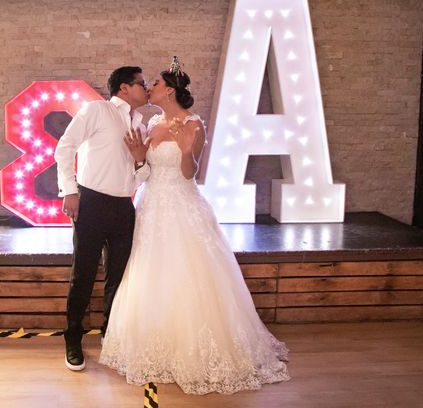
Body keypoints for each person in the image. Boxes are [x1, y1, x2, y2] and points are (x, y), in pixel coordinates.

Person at [99, 57, 290, 395]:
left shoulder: (193, 123)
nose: (149, 88)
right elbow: (143, 173)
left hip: (182, 205)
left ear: (169, 90)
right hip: (151, 204)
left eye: (155, 84)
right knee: (149, 272)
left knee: (188, 273)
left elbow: (190, 173)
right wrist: (140, 157)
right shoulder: (151, 122)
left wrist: (187, 151)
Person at [54, 66, 151, 371]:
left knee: (119, 276)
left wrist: (139, 159)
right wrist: (69, 191)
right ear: (124, 87)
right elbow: (64, 147)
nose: (146, 89)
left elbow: (144, 174)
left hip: (124, 206)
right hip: (91, 202)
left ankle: (111, 334)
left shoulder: (141, 123)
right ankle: (73, 338)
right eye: (141, 84)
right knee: (83, 273)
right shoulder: (97, 110)